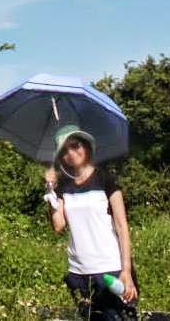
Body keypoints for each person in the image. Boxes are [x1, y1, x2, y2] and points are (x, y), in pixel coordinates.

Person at [44, 124, 138, 321]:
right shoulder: (63, 187)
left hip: (110, 269)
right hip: (78, 272)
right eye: (64, 150)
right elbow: (58, 225)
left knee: (119, 318)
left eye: (75, 145)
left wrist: (126, 270)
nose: (71, 153)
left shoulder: (106, 179)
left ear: (86, 146)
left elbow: (122, 226)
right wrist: (50, 191)